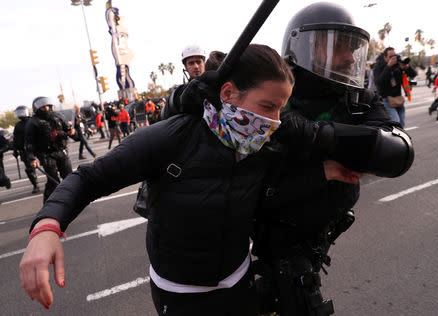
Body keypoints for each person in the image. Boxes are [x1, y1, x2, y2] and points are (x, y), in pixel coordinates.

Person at [19, 44, 360, 315]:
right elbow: (89, 178)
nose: (274, 121)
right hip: (180, 297)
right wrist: (47, 227)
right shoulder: (172, 137)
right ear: (228, 94)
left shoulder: (263, 145)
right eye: (267, 106)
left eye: (280, 110)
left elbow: (270, 196)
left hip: (240, 285)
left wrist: (323, 173)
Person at [162, 3, 414, 315]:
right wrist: (180, 99)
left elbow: (398, 153)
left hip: (318, 233)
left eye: (353, 47)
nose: (349, 57)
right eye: (338, 45)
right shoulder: (274, 86)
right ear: (304, 46)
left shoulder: (356, 98)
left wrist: (314, 133)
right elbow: (180, 119)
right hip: (271, 229)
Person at [24, 97, 76, 202]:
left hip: (61, 151)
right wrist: (31, 158)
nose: (46, 109)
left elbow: (70, 131)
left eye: (48, 106)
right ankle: (48, 203)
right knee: (53, 181)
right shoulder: (32, 123)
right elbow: (29, 143)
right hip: (46, 154)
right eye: (43, 107)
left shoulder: (58, 116)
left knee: (69, 177)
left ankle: (73, 200)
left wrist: (73, 133)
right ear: (37, 109)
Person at [373, 47, 417, 127]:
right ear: (385, 57)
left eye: (395, 56)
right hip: (386, 99)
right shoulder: (378, 66)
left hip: (398, 98)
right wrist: (388, 67)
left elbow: (413, 74)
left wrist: (407, 68)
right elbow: (379, 82)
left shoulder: (398, 65)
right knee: (396, 123)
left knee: (402, 124)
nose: (394, 58)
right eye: (391, 57)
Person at [160, 45, 206, 120]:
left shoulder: (215, 81)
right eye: (191, 63)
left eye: (198, 62)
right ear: (185, 67)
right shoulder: (179, 92)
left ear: (204, 63)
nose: (196, 66)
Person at [12, 105, 39, 193]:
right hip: (24, 150)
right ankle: (35, 185)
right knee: (29, 169)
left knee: (48, 164)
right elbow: (16, 139)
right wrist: (15, 150)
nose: (21, 114)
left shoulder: (32, 121)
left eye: (22, 112)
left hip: (37, 148)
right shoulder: (18, 125)